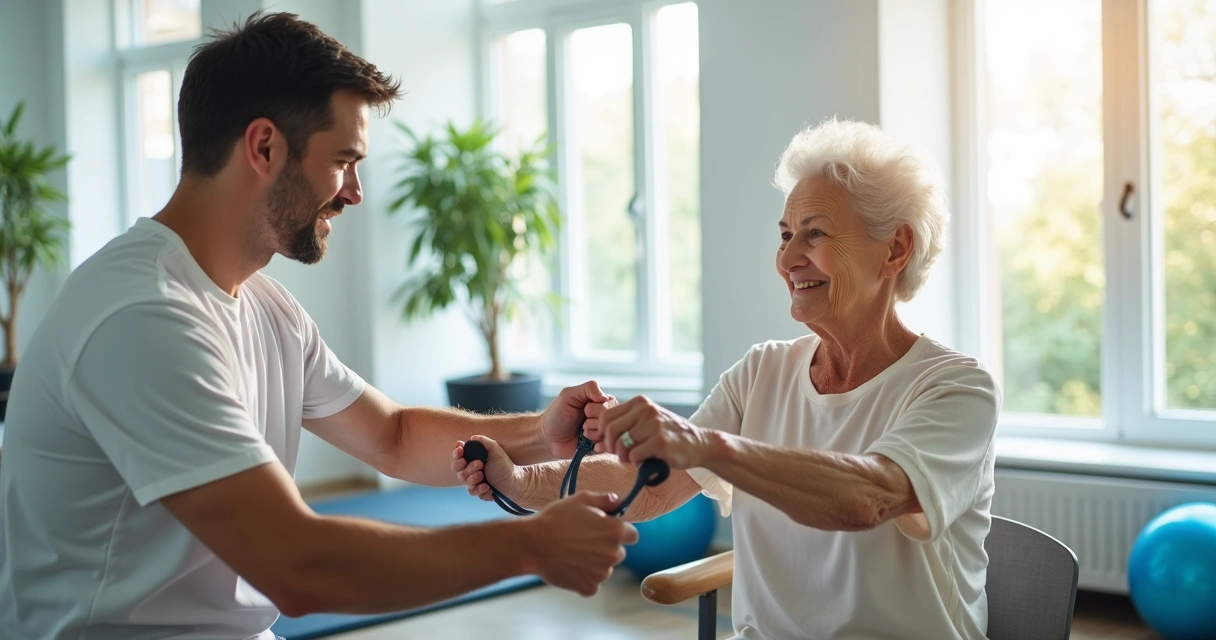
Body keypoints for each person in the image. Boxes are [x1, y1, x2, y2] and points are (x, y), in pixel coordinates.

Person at [0, 12, 636, 640]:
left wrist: (539, 432)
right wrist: (529, 546)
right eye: (344, 160)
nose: (355, 191)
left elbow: (392, 435)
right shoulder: (142, 316)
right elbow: (296, 565)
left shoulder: (267, 306)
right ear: (265, 146)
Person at [455, 119, 1001, 640]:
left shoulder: (955, 388)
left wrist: (703, 445)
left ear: (896, 249)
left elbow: (869, 497)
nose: (788, 258)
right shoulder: (764, 369)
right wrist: (522, 482)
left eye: (815, 235)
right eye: (785, 235)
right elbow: (658, 484)